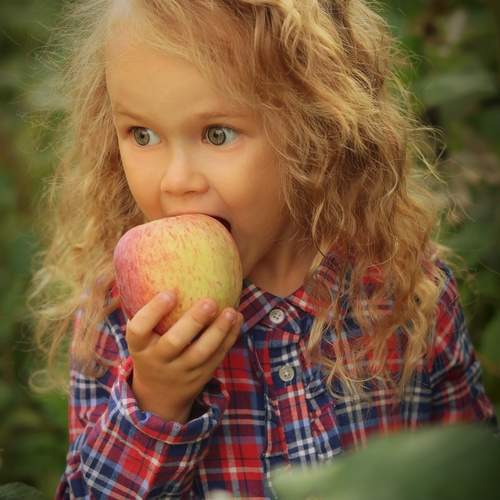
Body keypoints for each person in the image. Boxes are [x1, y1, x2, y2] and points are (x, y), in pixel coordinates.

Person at [29, 1, 497, 498]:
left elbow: (470, 468)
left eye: (217, 134)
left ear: (313, 128)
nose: (175, 180)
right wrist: (156, 401)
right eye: (141, 135)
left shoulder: (403, 292)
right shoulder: (123, 317)